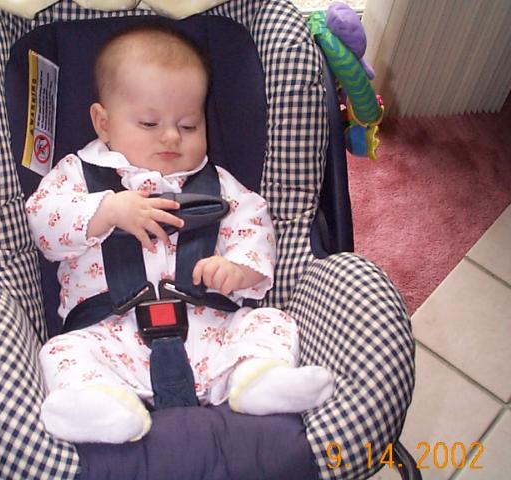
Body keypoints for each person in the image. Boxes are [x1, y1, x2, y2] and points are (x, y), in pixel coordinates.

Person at [25, 24, 334, 444]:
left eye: (189, 125)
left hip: (211, 332)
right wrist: (107, 210)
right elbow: (42, 222)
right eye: (149, 122)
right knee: (60, 352)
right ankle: (100, 406)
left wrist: (238, 269)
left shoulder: (217, 184)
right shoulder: (78, 174)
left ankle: (257, 379)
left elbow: (253, 225)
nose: (171, 136)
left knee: (269, 321)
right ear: (103, 123)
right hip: (110, 334)